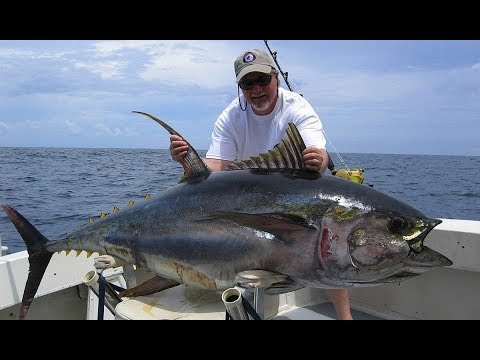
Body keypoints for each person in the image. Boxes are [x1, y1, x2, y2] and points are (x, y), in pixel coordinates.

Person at [169, 48, 353, 320]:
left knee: (327, 248)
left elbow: (318, 154)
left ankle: (345, 317)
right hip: (251, 199)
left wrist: (319, 158)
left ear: (275, 77)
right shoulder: (230, 117)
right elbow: (217, 167)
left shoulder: (297, 107)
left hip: (295, 197)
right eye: (247, 83)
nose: (256, 89)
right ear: (240, 87)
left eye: (262, 80)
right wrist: (187, 160)